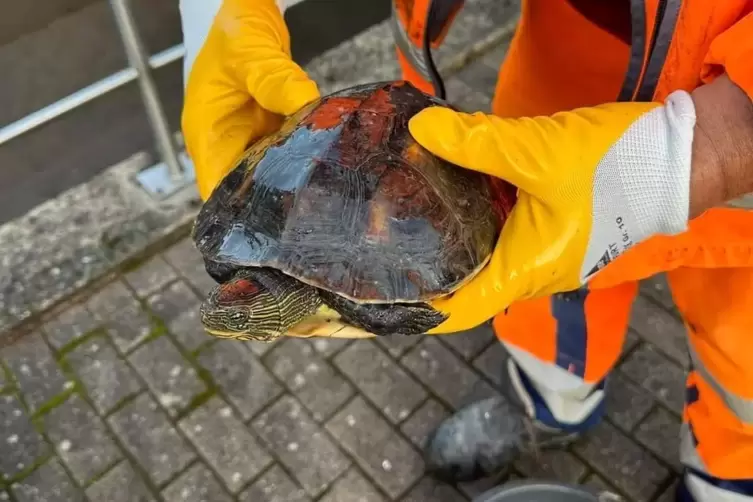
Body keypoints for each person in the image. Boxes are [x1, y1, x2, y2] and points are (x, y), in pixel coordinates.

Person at [178, 0, 753, 500]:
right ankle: (547, 405)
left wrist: (722, 143)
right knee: (535, 275)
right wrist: (223, 6)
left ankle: (727, 480)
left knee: (743, 344)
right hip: (577, 36)